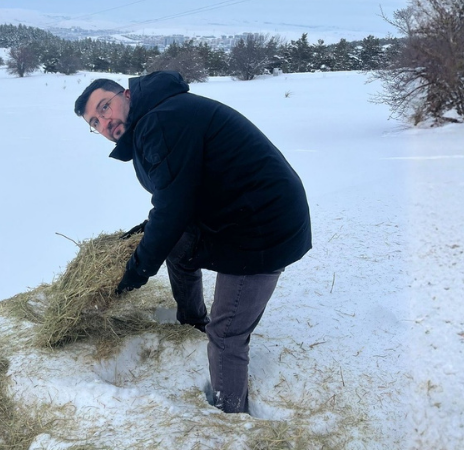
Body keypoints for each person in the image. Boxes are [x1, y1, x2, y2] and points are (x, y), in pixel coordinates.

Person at [73, 71, 312, 414]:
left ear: (126, 95)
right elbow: (179, 192)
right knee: (177, 245)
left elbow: (173, 208)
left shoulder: (159, 121)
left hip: (263, 225)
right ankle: (191, 322)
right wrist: (143, 234)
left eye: (104, 107)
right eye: (94, 122)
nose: (104, 122)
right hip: (239, 213)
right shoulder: (155, 117)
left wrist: (137, 270)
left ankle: (231, 416)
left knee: (226, 333)